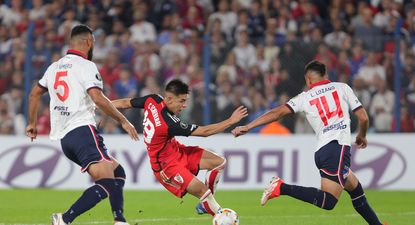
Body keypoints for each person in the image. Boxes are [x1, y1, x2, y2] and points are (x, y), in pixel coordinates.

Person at [232, 61, 385, 225]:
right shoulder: (342, 87)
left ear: (308, 80)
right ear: (325, 75)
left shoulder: (304, 97)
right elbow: (363, 118)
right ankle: (281, 187)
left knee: (355, 189)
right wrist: (361, 135)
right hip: (337, 148)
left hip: (323, 151)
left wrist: (249, 126)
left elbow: (277, 112)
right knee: (328, 202)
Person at [26, 25, 139, 225]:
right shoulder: (86, 65)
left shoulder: (54, 67)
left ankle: (119, 219)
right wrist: (123, 120)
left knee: (117, 173)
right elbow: (97, 97)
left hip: (66, 138)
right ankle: (64, 219)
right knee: (105, 182)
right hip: (83, 131)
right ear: (88, 42)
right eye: (93, 41)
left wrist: (32, 124)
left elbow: (34, 94)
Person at [112, 79, 247, 216]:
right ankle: (221, 216)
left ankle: (205, 205)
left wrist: (100, 105)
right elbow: (204, 132)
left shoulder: (153, 99)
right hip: (166, 166)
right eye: (181, 101)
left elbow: (125, 103)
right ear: (169, 99)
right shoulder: (169, 124)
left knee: (219, 162)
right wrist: (231, 121)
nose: (184, 106)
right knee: (203, 191)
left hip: (176, 151)